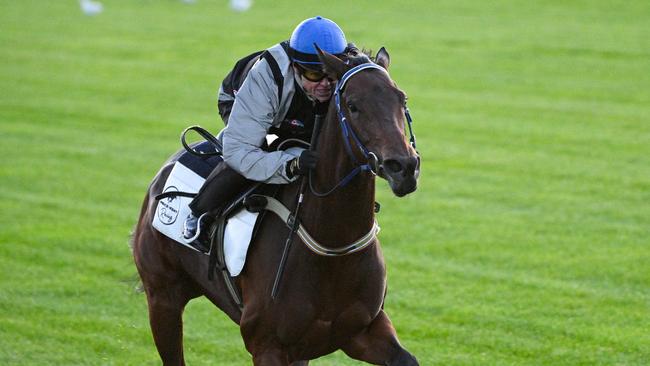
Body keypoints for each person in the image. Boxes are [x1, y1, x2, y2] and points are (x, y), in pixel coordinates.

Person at [182, 16, 353, 250]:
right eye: (314, 75)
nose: (324, 83)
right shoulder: (267, 77)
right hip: (244, 100)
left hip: (298, 110)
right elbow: (239, 152)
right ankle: (200, 214)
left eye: (331, 75)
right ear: (295, 67)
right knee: (267, 148)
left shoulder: (349, 66)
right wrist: (290, 165)